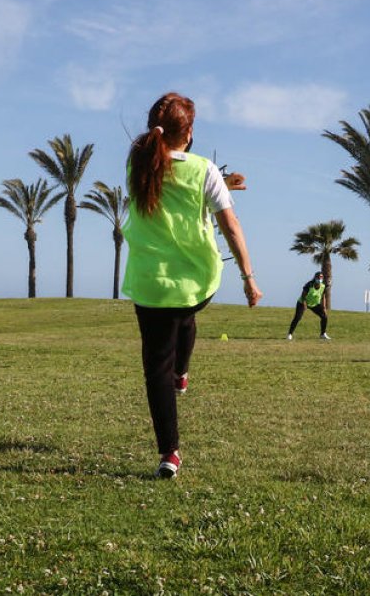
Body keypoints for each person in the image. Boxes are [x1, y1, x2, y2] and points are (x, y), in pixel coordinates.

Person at [122, 92, 262, 479]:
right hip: (196, 281)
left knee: (156, 371)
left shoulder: (138, 165)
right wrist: (249, 278)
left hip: (150, 283)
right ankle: (182, 370)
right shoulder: (204, 170)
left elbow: (165, 174)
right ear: (190, 133)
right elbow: (230, 227)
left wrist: (223, 184)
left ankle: (170, 454)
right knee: (184, 314)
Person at [287, 271, 330, 340]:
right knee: (297, 318)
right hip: (302, 302)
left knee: (324, 316)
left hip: (314, 304)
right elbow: (303, 295)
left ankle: (323, 334)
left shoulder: (323, 286)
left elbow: (323, 296)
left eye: (321, 277)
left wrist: (324, 307)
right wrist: (304, 305)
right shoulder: (309, 285)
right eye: (318, 277)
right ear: (315, 278)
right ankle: (290, 334)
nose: (319, 279)